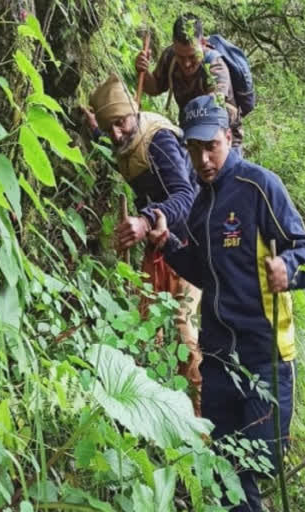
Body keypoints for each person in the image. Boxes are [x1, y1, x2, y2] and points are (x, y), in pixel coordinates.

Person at [147, 95, 305, 511]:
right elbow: (205, 273)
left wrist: (290, 268)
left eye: (212, 146)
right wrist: (167, 243)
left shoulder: (259, 187)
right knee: (227, 473)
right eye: (195, 148)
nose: (204, 158)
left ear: (228, 138)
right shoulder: (202, 204)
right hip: (219, 360)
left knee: (254, 465)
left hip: (266, 359)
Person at [83, 73, 203, 415]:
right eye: (110, 129)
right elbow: (116, 144)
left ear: (134, 111)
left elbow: (186, 196)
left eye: (120, 123)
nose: (116, 133)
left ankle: (199, 417)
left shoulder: (160, 141)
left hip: (186, 242)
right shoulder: (123, 138)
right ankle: (145, 404)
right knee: (145, 318)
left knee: (183, 324)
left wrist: (147, 218)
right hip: (155, 242)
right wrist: (95, 128)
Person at [134, 13, 244, 151]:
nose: (186, 64)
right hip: (190, 133)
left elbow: (213, 107)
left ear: (203, 43)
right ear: (174, 44)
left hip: (223, 139)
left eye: (192, 56)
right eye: (181, 57)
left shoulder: (216, 66)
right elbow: (155, 88)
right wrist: (142, 71)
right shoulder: (170, 56)